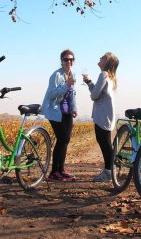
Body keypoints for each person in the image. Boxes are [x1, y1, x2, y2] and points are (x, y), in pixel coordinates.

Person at [42, 49, 78, 181]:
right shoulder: (56, 75)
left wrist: (74, 108)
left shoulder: (72, 74)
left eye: (71, 59)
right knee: (61, 139)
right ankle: (53, 172)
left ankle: (61, 170)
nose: (69, 62)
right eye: (66, 59)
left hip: (67, 111)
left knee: (66, 140)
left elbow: (72, 93)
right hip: (55, 111)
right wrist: (65, 86)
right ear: (61, 61)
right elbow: (51, 94)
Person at [83, 52, 119, 182]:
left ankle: (109, 172)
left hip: (102, 115)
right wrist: (89, 82)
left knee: (104, 143)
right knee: (106, 143)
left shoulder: (103, 75)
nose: (100, 58)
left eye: (103, 57)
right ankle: (110, 170)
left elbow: (94, 96)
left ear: (107, 62)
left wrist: (89, 84)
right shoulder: (111, 77)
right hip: (108, 114)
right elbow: (97, 93)